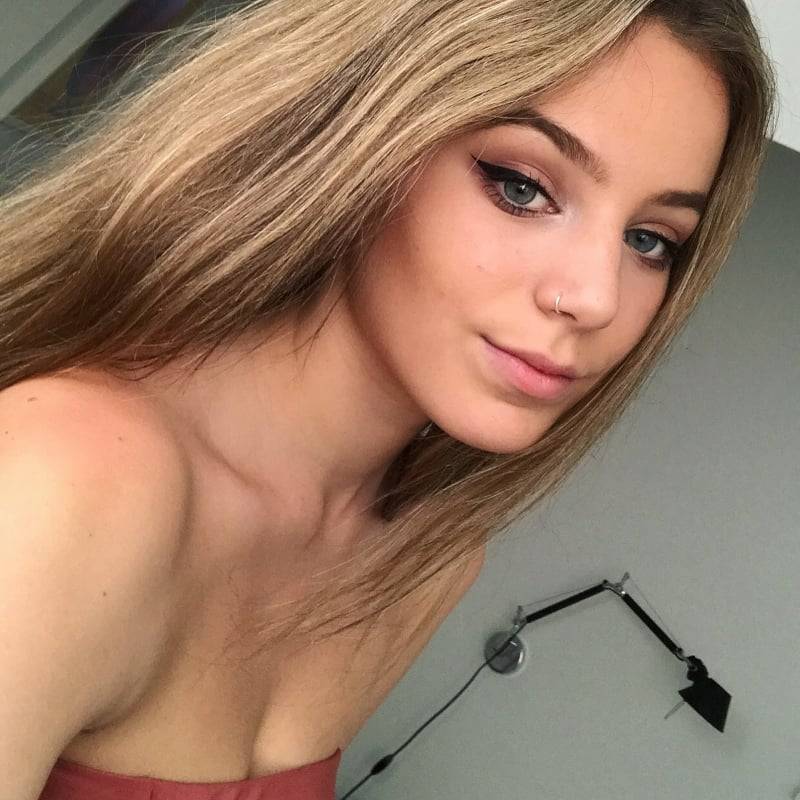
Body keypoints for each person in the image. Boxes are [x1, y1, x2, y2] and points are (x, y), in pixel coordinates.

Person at [0, 1, 776, 798]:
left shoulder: (425, 563)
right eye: (522, 187)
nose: (596, 297)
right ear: (359, 130)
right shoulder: (66, 484)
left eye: (650, 241)